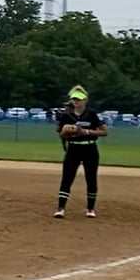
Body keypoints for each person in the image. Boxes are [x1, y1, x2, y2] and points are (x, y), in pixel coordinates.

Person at [53, 85, 108, 218]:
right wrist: (65, 132)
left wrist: (86, 132)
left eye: (79, 99)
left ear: (85, 100)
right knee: (67, 177)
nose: (76, 101)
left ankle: (90, 208)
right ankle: (61, 208)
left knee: (91, 178)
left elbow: (104, 131)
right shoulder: (66, 116)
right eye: (74, 99)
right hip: (74, 148)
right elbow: (61, 134)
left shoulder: (92, 114)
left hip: (89, 148)